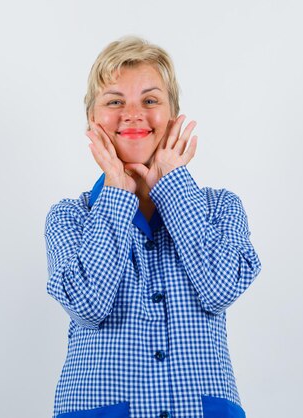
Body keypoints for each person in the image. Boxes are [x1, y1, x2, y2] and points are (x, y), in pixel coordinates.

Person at [44, 36, 262, 418]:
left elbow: (221, 289)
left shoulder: (220, 207)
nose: (133, 114)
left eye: (150, 100)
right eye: (114, 101)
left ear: (173, 117)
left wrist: (173, 186)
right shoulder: (69, 216)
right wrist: (115, 193)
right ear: (93, 122)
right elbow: (86, 305)